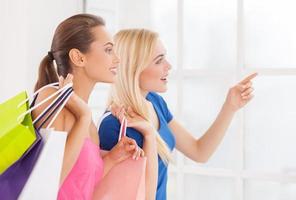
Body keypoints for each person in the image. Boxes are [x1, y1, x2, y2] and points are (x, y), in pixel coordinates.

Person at [98, 29, 257, 200]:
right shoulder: (113, 126)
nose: (168, 66)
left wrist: (230, 106)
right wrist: (149, 135)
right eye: (159, 61)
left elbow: (199, 152)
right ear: (134, 69)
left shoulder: (155, 102)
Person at [32, 14, 144, 199]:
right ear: (78, 57)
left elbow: (81, 184)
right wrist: (83, 118)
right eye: (108, 50)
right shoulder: (52, 99)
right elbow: (49, 183)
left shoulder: (89, 121)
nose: (117, 59)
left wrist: (112, 158)